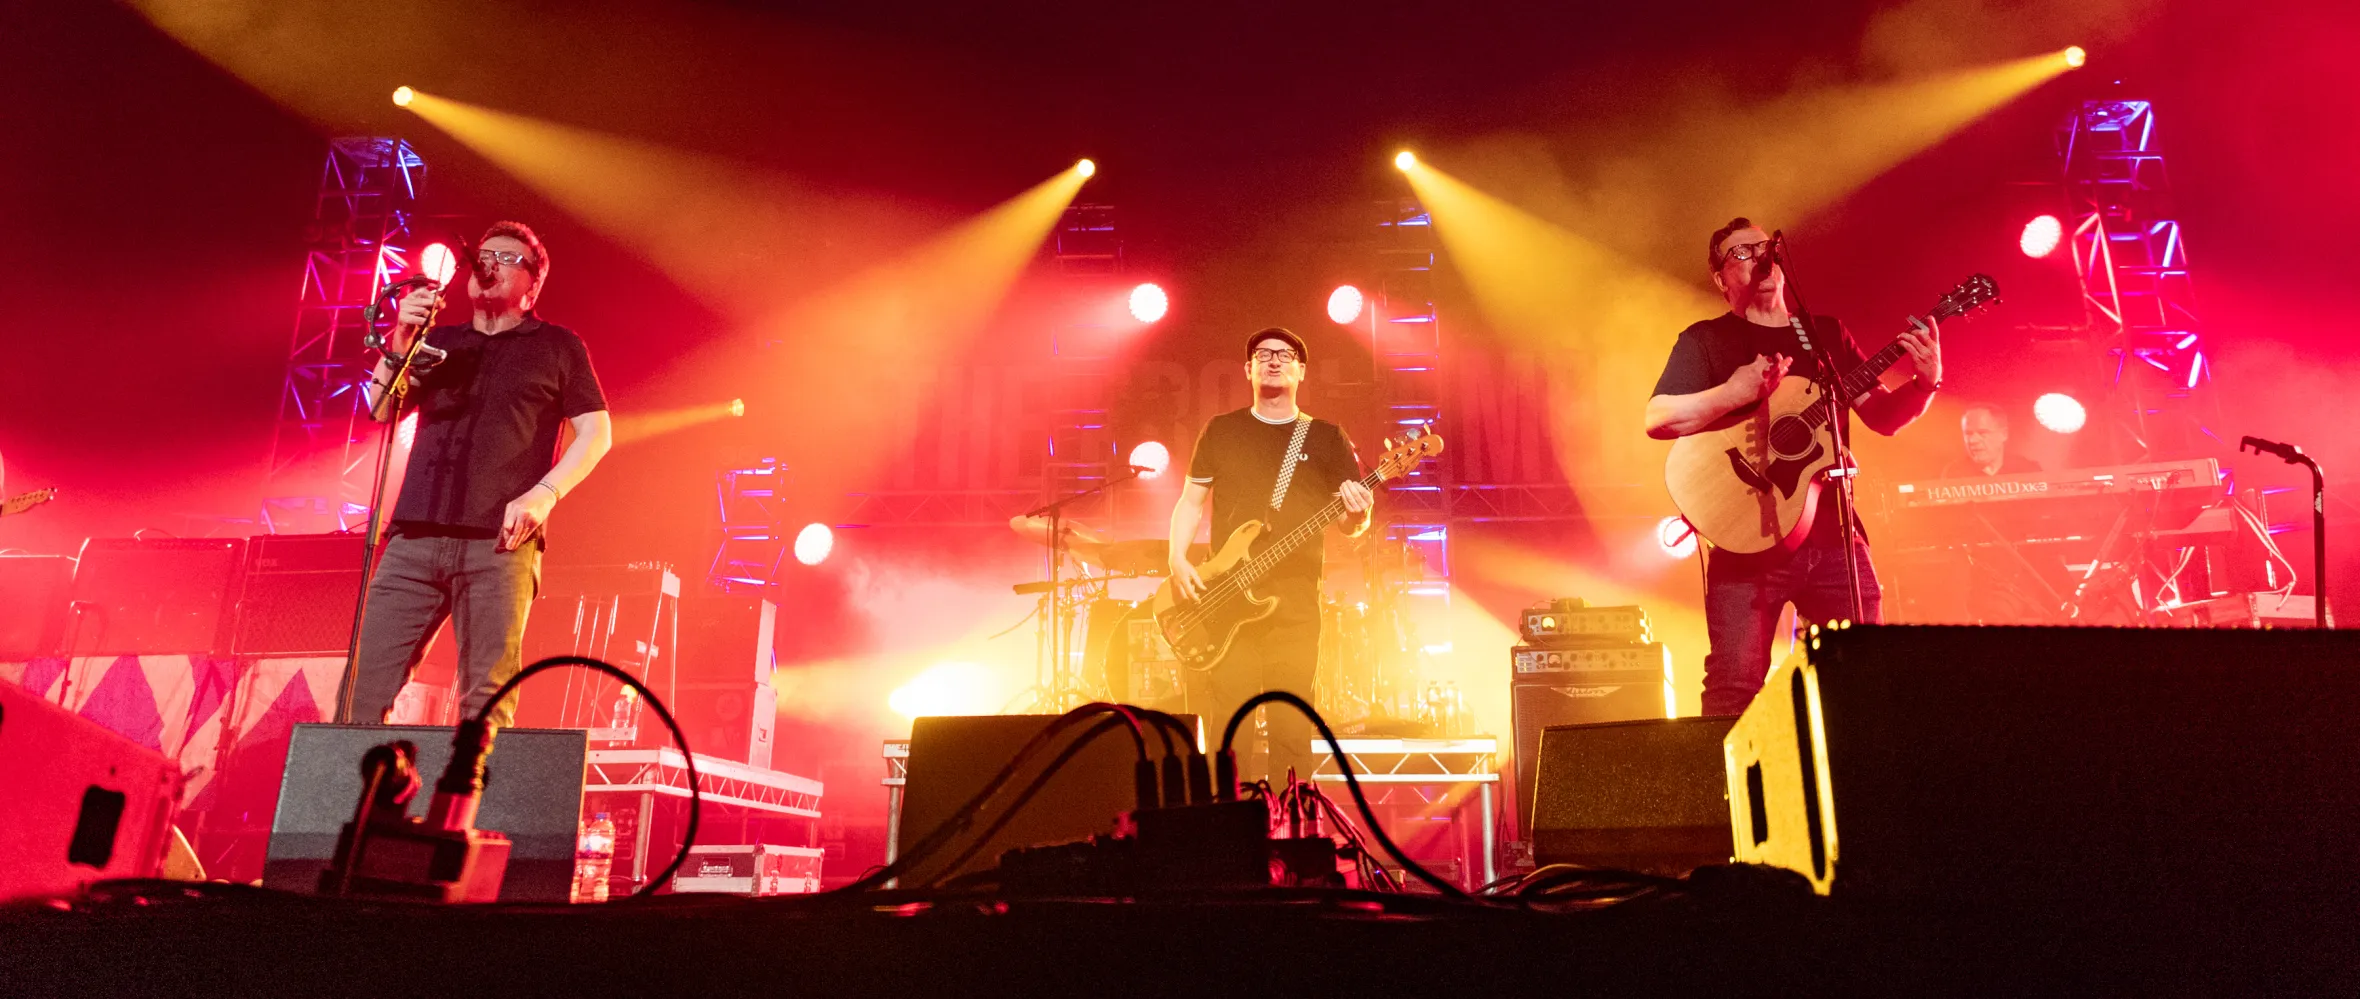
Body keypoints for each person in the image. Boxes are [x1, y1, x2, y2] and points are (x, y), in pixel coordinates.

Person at [1644, 218, 1941, 716]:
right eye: (1740, 253)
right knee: (1734, 687)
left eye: (1763, 247)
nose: (1758, 258)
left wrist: (1925, 384)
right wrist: (1733, 393)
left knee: (1860, 680)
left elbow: (1883, 417)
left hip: (1835, 538)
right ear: (1720, 278)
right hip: (1744, 542)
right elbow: (1658, 418)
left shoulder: (1823, 335)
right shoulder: (1706, 340)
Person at [346, 221, 613, 728]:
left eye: (507, 258)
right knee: (362, 694)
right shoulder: (439, 340)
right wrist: (402, 336)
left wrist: (544, 494)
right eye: (484, 255)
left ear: (534, 284)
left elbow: (597, 433)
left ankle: (470, 785)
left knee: (485, 706)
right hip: (413, 542)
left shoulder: (557, 346)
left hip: (500, 547)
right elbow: (380, 409)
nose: (488, 263)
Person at [1167, 327, 1373, 781]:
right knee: (1230, 727)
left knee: (1291, 729)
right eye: (1263, 354)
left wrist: (1360, 514)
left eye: (1285, 354)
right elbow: (1191, 502)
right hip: (1227, 602)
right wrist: (1177, 559)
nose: (1274, 360)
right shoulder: (1222, 430)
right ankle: (1230, 820)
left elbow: (1349, 523)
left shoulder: (1326, 437)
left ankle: (1291, 820)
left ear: (1301, 370)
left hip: (1295, 608)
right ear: (1248, 370)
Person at [1940, 403, 2042, 478]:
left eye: (1982, 433)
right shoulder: (1954, 474)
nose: (1973, 440)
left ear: (2004, 434)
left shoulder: (2027, 471)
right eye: (1968, 433)